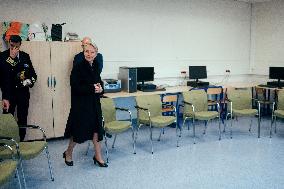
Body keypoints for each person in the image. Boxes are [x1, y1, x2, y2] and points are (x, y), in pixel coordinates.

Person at [63, 42, 108, 167]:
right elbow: (75, 86)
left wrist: (101, 89)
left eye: (92, 52)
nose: (89, 54)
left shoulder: (97, 65)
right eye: (86, 51)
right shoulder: (78, 66)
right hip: (81, 105)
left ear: (96, 54)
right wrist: (91, 88)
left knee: (96, 130)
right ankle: (68, 152)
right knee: (78, 132)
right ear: (83, 52)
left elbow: (98, 82)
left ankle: (98, 156)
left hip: (94, 103)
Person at [0, 35, 37, 141]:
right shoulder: (2, 57)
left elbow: (33, 75)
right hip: (8, 95)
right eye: (12, 46)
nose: (14, 49)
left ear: (20, 45)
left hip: (23, 94)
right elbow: (4, 76)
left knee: (22, 119)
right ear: (8, 43)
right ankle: (7, 144)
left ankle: (21, 142)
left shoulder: (25, 56)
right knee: (8, 120)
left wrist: (27, 82)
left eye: (17, 46)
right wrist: (11, 58)